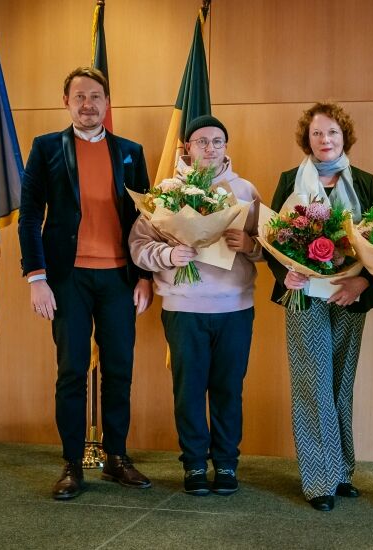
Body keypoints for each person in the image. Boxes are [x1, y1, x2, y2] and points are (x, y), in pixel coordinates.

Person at [18, 67, 154, 500]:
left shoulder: (131, 152)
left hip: (118, 278)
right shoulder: (45, 149)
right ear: (67, 102)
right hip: (66, 279)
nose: (88, 104)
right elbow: (28, 217)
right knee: (71, 371)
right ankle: (72, 464)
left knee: (119, 370)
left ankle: (117, 458)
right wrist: (36, 278)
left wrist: (146, 277)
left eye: (96, 96)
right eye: (80, 97)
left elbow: (146, 221)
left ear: (107, 102)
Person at [129, 115, 263, 496]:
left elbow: (270, 245)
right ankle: (192, 464)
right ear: (186, 148)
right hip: (183, 307)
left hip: (235, 308)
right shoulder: (166, 192)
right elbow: (138, 246)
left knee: (227, 389)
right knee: (188, 389)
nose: (209, 148)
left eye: (216, 141)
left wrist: (250, 247)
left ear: (226, 147)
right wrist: (171, 256)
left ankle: (224, 463)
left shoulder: (245, 191)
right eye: (201, 141)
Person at [266, 102, 373, 511]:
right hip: (303, 296)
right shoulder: (288, 180)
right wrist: (288, 275)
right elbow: (274, 241)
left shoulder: (365, 182)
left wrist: (362, 280)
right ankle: (319, 480)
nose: (325, 140)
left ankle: (342, 470)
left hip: (349, 295)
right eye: (317, 133)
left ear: (344, 136)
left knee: (340, 382)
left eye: (332, 132)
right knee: (311, 384)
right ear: (307, 139)